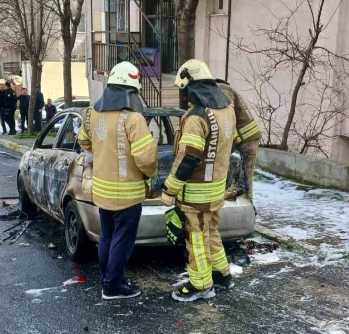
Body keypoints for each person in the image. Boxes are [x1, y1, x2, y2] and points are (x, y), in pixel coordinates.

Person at [77, 62, 158, 300]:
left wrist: (103, 153)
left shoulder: (92, 112)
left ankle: (108, 280)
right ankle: (113, 285)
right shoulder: (133, 119)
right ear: (131, 90)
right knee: (122, 241)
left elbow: (84, 141)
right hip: (128, 193)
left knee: (107, 237)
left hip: (102, 191)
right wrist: (150, 174)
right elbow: (146, 158)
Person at [162, 59, 236, 302]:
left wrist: (169, 190)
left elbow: (188, 159)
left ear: (190, 87)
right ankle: (222, 275)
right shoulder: (226, 110)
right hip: (216, 190)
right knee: (211, 232)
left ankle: (201, 286)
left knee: (196, 240)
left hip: (196, 194)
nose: (182, 96)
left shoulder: (196, 117)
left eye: (183, 90)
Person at [215, 79, 261, 201]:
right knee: (239, 174)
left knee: (246, 175)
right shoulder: (225, 89)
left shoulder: (222, 90)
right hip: (243, 138)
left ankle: (248, 205)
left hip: (247, 139)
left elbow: (227, 117)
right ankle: (237, 195)